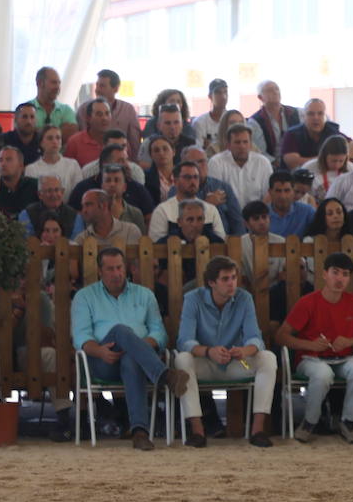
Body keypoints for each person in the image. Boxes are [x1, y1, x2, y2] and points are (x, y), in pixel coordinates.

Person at [70, 247, 190, 449]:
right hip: (103, 360)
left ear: (126, 268)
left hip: (138, 362)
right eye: (110, 269)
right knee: (120, 331)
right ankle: (165, 376)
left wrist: (136, 347)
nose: (116, 274)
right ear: (100, 271)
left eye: (119, 268)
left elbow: (159, 333)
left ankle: (140, 432)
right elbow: (81, 337)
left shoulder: (145, 295)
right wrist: (100, 351)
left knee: (131, 357)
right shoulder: (85, 297)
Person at [174, 255, 276, 449]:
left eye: (234, 277)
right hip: (205, 362)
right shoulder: (193, 299)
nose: (232, 283)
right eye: (225, 279)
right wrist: (208, 351)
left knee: (268, 358)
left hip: (237, 362)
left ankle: (258, 430)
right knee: (182, 360)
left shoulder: (244, 298)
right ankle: (197, 431)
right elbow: (184, 340)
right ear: (211, 282)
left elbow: (255, 337)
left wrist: (244, 351)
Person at [276, 252, 353, 443]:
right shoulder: (308, 302)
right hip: (311, 358)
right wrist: (309, 344)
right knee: (322, 374)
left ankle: (349, 421)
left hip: (344, 357)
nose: (340, 279)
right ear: (324, 274)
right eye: (335, 273)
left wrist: (349, 341)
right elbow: (281, 336)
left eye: (345, 274)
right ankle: (310, 421)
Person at [147, 161, 227, 241]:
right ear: (175, 181)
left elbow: (221, 243)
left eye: (196, 177)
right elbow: (156, 247)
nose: (192, 181)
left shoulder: (211, 210)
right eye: (187, 177)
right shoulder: (162, 211)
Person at [208, 123, 273, 208]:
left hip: (256, 215)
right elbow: (216, 197)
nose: (242, 146)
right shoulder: (216, 162)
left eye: (245, 142)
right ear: (228, 145)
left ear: (250, 144)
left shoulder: (263, 163)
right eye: (237, 142)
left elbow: (269, 195)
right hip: (227, 216)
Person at [77, 69, 142, 152]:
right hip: (90, 157)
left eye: (102, 86)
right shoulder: (84, 109)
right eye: (97, 85)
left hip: (121, 159)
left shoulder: (128, 110)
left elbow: (135, 142)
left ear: (116, 89)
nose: (97, 90)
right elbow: (81, 138)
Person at [282, 99, 350, 170]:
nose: (316, 118)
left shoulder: (333, 131)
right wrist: (327, 158)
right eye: (311, 114)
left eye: (320, 113)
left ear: (325, 116)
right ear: (304, 116)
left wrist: (334, 158)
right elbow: (292, 162)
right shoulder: (292, 134)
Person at [246, 80, 300, 159]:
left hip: (297, 160)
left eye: (277, 89)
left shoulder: (295, 113)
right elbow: (260, 152)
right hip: (271, 166)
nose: (275, 92)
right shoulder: (255, 121)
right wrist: (277, 164)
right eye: (270, 90)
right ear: (260, 97)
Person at [73, 189, 142, 248]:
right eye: (83, 206)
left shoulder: (130, 231)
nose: (84, 210)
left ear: (103, 205)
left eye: (88, 205)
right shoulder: (81, 239)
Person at [24, 125, 80, 198]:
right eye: (50, 138)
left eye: (58, 138)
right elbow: (31, 195)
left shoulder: (73, 165)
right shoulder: (31, 169)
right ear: (41, 143)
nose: (55, 141)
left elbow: (78, 193)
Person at [27, 67, 77, 138]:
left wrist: (37, 131)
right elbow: (23, 135)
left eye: (59, 83)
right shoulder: (25, 109)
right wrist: (60, 131)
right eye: (54, 82)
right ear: (39, 83)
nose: (58, 87)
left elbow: (72, 133)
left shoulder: (66, 110)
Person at [266, 171, 315, 238]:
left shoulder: (307, 212)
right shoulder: (261, 215)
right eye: (278, 191)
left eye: (287, 190)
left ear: (293, 191)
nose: (283, 196)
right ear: (270, 192)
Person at [0, 146, 38, 218]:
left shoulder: (34, 186)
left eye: (8, 160)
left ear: (21, 165)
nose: (3, 164)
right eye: (0, 160)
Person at [189, 79, 230, 151]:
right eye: (218, 93)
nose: (223, 96)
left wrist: (211, 146)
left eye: (225, 92)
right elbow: (199, 150)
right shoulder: (200, 122)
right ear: (210, 96)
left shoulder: (234, 119)